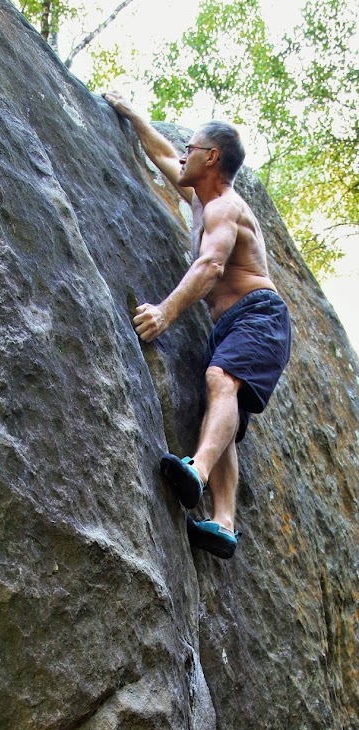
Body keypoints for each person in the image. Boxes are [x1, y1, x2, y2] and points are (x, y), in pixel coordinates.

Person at [102, 91, 291, 560]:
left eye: (191, 147)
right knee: (221, 412)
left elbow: (210, 266)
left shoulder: (225, 206)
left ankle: (197, 472)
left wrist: (165, 312)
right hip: (232, 324)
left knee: (219, 380)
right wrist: (133, 114)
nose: (181, 152)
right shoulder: (201, 198)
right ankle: (224, 522)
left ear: (211, 158)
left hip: (258, 315)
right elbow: (163, 154)